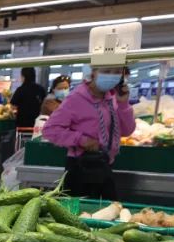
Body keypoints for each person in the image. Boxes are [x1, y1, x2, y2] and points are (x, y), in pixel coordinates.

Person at [41, 66, 135, 200]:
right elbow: (50, 130)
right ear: (93, 73)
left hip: (104, 164)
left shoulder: (112, 98)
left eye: (117, 72)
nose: (112, 76)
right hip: (81, 167)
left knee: (106, 211)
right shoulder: (76, 99)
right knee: (78, 215)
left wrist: (123, 104)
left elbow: (127, 130)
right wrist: (81, 140)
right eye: (106, 71)